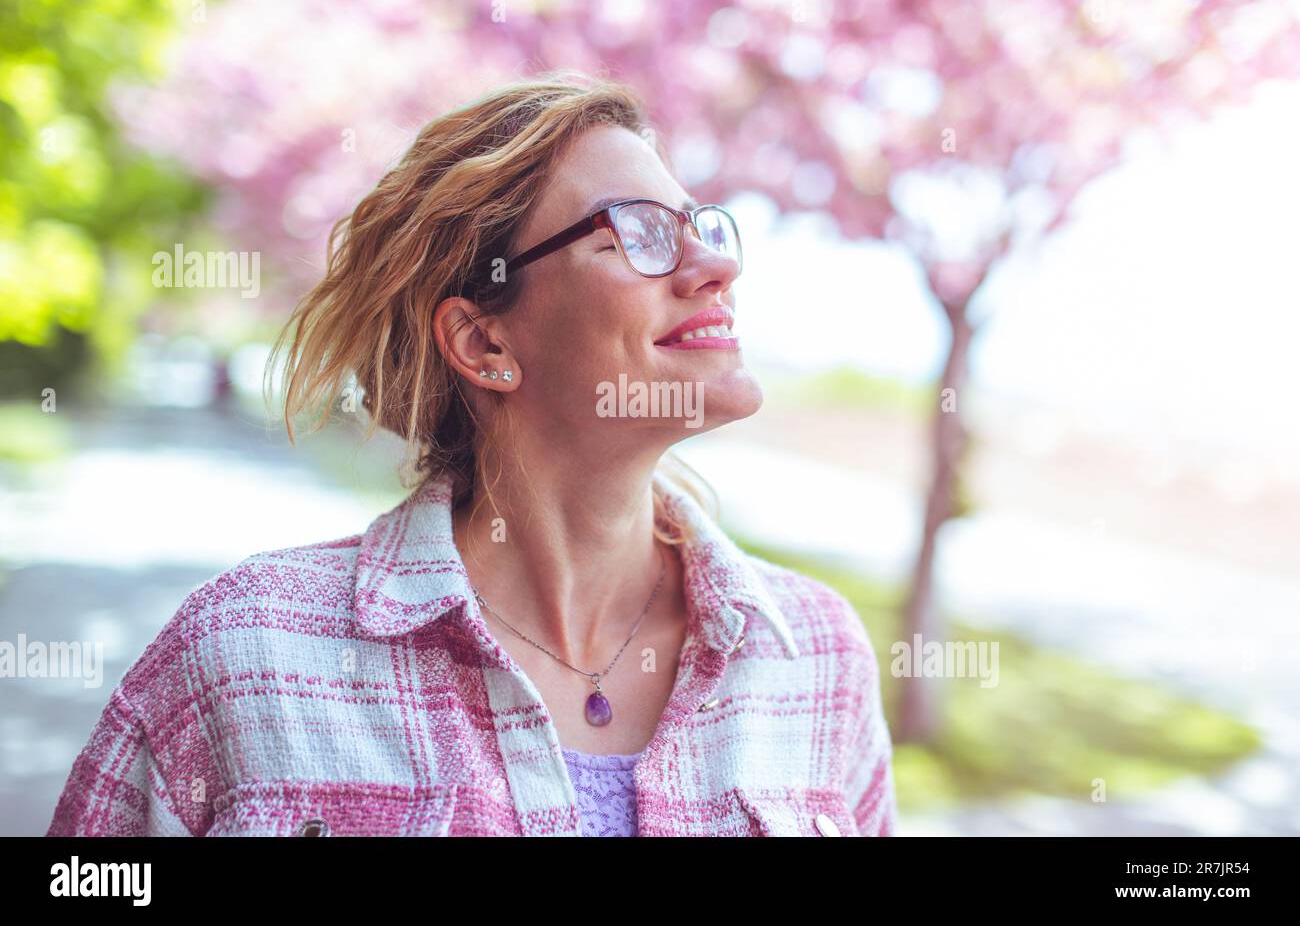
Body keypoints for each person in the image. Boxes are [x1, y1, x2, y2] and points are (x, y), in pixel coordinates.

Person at [47, 72, 898, 837]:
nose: (714, 264)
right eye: (639, 231)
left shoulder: (817, 659)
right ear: (484, 340)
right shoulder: (246, 654)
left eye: (700, 226)